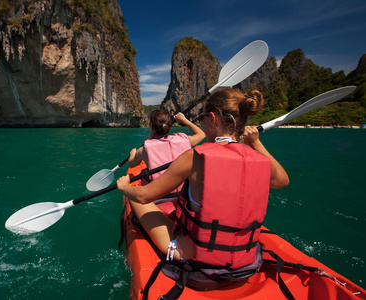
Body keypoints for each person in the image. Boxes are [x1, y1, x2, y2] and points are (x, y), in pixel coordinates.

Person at [117, 88, 289, 268]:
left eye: (201, 118)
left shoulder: (194, 157)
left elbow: (144, 196)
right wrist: (255, 143)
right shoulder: (259, 159)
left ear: (212, 119)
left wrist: (125, 186)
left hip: (192, 254)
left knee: (135, 196)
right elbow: (282, 181)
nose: (201, 122)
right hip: (245, 256)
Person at [128, 110, 205, 195]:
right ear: (169, 127)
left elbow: (131, 164)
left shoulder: (144, 150)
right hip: (184, 194)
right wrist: (184, 120)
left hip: (158, 197)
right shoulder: (185, 140)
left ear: (151, 128)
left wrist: (133, 153)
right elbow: (201, 134)